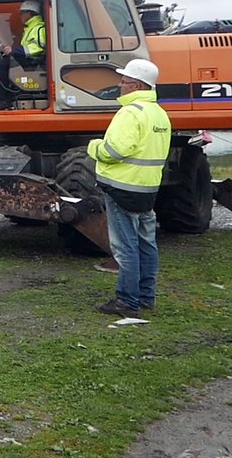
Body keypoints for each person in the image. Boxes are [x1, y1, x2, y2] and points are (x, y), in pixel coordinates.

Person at [89, 58, 171, 319]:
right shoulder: (158, 113)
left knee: (125, 247)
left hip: (122, 188)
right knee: (147, 244)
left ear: (136, 85)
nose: (119, 84)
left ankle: (127, 301)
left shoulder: (130, 113)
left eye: (124, 80)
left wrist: (94, 148)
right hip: (147, 189)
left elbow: (115, 151)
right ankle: (146, 297)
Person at [0, 0, 47, 109]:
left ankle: (1, 99)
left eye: (22, 13)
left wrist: (14, 51)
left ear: (29, 13)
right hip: (28, 58)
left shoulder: (39, 28)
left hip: (32, 60)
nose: (21, 16)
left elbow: (39, 47)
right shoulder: (31, 27)